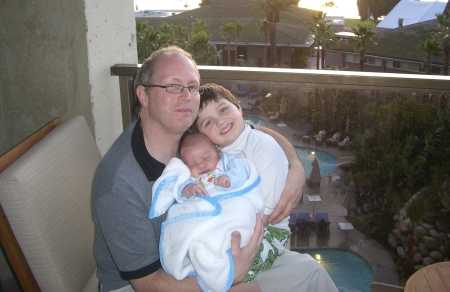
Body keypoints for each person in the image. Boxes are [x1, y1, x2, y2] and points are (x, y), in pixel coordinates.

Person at [91, 46, 305, 292]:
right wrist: (228, 276)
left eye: (192, 87)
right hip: (148, 282)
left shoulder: (188, 133)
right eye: (172, 86)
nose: (186, 96)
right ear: (144, 95)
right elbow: (148, 284)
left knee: (310, 272)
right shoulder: (120, 185)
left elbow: (249, 133)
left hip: (207, 251)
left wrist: (294, 164)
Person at [194, 83, 339, 292]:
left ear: (239, 108)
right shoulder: (216, 155)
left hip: (267, 233)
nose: (220, 121)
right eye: (208, 122)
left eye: (223, 109)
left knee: (221, 278)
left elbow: (266, 213)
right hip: (240, 227)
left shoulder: (263, 147)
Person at [150, 133, 265, 292]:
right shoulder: (193, 179)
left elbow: (241, 172)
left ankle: (217, 260)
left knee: (242, 209)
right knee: (199, 238)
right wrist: (189, 189)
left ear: (218, 152)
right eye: (192, 165)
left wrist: (229, 179)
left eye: (206, 157)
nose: (201, 165)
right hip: (206, 217)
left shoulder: (228, 164)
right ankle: (209, 260)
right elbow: (181, 191)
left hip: (231, 206)